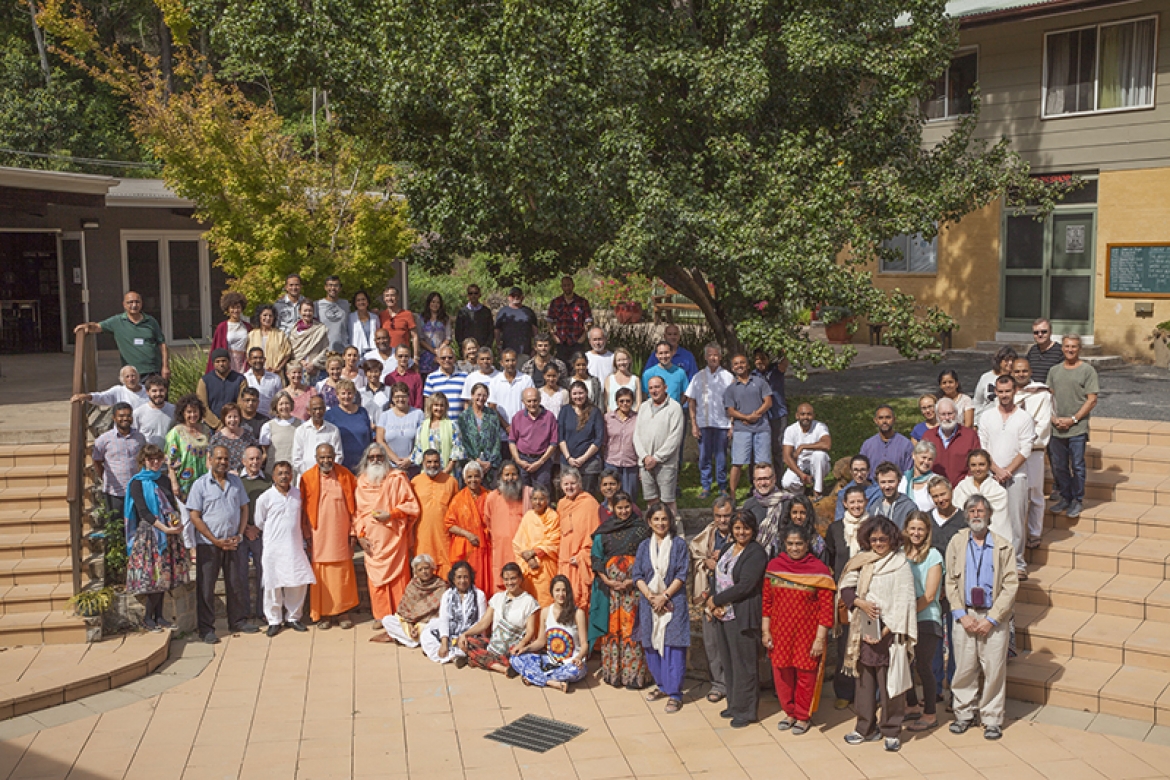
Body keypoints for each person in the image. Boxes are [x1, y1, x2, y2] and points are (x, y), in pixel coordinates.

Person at [839, 516, 917, 753]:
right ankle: (865, 728)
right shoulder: (863, 560)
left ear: (891, 539)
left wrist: (884, 631)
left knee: (890, 685)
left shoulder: (900, 564)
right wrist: (861, 604)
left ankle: (891, 730)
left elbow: (904, 603)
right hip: (863, 630)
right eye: (874, 539)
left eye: (883, 539)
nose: (878, 544)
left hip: (890, 633)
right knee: (864, 683)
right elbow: (845, 589)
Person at [946, 495, 1019, 741]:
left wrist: (992, 619)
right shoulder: (957, 542)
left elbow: (1011, 585)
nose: (976, 515)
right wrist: (961, 614)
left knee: (994, 669)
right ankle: (964, 713)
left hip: (993, 616)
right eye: (972, 511)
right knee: (964, 667)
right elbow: (950, 581)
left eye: (980, 511)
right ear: (966, 515)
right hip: (965, 614)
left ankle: (992, 718)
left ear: (989, 515)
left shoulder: (1003, 546)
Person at [763, 523, 836, 735]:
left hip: (808, 634)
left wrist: (820, 639)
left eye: (799, 544)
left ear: (807, 545)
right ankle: (789, 712)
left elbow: (826, 609)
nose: (794, 548)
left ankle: (803, 716)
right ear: (784, 544)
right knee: (782, 674)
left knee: (806, 674)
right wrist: (765, 631)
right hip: (780, 633)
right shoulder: (775, 567)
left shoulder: (819, 571)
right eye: (790, 544)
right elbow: (767, 602)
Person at [187, 445, 255, 643]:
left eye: (226, 459)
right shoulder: (200, 485)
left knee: (236, 583)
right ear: (210, 459)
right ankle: (206, 629)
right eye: (219, 458)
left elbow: (244, 508)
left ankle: (238, 621)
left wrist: (239, 535)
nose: (223, 462)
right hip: (209, 545)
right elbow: (194, 516)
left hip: (233, 542)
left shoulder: (236, 482)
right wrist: (214, 540)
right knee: (206, 588)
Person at [124, 444, 189, 631]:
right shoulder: (137, 483)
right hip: (150, 534)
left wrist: (175, 522)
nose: (155, 462)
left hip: (167, 533)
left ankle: (160, 617)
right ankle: (148, 618)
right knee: (154, 577)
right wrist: (164, 529)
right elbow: (144, 512)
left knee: (164, 575)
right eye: (150, 459)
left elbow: (171, 505)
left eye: (158, 459)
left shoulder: (164, 480)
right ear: (143, 461)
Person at [591, 490, 652, 690]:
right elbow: (596, 558)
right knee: (613, 629)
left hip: (635, 591)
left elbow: (648, 558)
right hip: (612, 593)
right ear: (613, 509)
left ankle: (635, 676)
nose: (624, 511)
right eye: (620, 508)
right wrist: (608, 581)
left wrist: (633, 580)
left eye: (627, 507)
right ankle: (614, 674)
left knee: (634, 628)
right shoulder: (604, 531)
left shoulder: (641, 529)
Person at [354, 443, 421, 621]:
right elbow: (358, 513)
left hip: (395, 539)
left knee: (398, 578)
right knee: (376, 579)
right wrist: (360, 536)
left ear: (385, 459)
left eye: (379, 457)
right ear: (366, 460)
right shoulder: (361, 481)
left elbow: (411, 505)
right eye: (372, 457)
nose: (375, 460)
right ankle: (381, 617)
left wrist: (391, 514)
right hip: (372, 541)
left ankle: (400, 615)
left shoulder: (397, 478)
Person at [635, 503, 691, 715]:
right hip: (649, 603)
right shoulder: (643, 546)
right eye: (656, 519)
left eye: (664, 519)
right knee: (652, 645)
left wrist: (664, 596)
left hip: (673, 602)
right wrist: (651, 597)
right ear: (649, 522)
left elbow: (682, 574)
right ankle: (662, 685)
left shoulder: (679, 545)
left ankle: (675, 693)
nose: (660, 523)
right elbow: (637, 575)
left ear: (670, 521)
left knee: (673, 646)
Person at [978, 375, 1034, 579]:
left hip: (1017, 476)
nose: (1004, 395)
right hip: (991, 476)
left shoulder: (1024, 418)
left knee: (1016, 520)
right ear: (996, 392)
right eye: (1000, 392)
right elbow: (983, 446)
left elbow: (1026, 448)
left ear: (1015, 391)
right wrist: (996, 470)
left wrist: (1008, 470)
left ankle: (1017, 563)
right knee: (990, 518)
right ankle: (991, 560)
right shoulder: (987, 416)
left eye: (1007, 391)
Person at [300, 443, 359, 629]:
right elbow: (302, 509)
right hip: (318, 534)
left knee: (342, 573)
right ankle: (324, 613)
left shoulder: (345, 475)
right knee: (321, 574)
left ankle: (343, 612)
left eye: (329, 457)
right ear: (316, 458)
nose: (326, 461)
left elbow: (356, 505)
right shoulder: (307, 478)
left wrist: (353, 531)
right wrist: (306, 532)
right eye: (322, 457)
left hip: (341, 533)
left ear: (335, 457)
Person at [253, 461, 315, 636]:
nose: (284, 476)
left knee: (298, 582)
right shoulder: (265, 498)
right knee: (273, 584)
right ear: (273, 477)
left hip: (294, 546)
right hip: (273, 548)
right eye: (280, 473)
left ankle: (293, 617)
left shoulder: (298, 495)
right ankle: (274, 620)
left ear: (292, 476)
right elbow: (259, 521)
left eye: (287, 473)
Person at [824, 483, 869, 709]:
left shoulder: (873, 527)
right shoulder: (835, 529)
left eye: (860, 501)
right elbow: (830, 558)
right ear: (845, 504)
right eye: (852, 502)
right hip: (844, 595)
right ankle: (844, 691)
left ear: (866, 502)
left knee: (868, 645)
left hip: (869, 592)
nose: (856, 505)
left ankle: (867, 693)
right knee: (844, 644)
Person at [687, 497, 734, 702]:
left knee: (733, 644)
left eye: (727, 516)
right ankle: (718, 684)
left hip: (733, 598)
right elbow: (695, 555)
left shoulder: (741, 533)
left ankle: (734, 684)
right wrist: (706, 562)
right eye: (718, 516)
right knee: (712, 643)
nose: (723, 520)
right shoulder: (707, 535)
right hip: (710, 596)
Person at [901, 511, 945, 732]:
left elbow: (929, 595)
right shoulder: (900, 554)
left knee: (923, 666)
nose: (916, 533)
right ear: (906, 529)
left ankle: (929, 714)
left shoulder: (934, 556)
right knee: (904, 663)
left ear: (927, 531)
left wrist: (908, 614)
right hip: (904, 618)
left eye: (920, 529)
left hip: (926, 618)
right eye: (913, 528)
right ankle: (911, 706)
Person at [1047, 334, 1099, 520]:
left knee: (1077, 465)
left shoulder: (1087, 371)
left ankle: (1077, 499)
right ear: (1062, 348)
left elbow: (1091, 400)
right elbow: (1048, 397)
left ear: (1079, 349)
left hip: (1077, 428)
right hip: (1057, 427)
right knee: (1059, 466)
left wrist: (1073, 419)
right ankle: (1065, 497)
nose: (1070, 350)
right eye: (1067, 346)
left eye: (1074, 346)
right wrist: (1053, 418)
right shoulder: (1054, 371)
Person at [456, 562, 540, 674]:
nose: (509, 583)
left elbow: (530, 631)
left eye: (513, 578)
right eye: (506, 579)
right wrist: (465, 634)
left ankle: (476, 659)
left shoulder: (529, 601)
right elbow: (483, 623)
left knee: (519, 656)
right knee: (467, 642)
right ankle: (502, 668)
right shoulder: (497, 598)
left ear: (520, 579)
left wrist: (521, 644)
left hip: (512, 648)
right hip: (494, 645)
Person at [510, 575, 590, 690]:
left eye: (564, 590)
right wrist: (525, 648)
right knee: (515, 659)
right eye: (557, 590)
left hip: (570, 664)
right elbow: (541, 641)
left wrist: (579, 657)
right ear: (552, 592)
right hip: (549, 660)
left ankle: (534, 677)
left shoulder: (578, 614)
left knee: (575, 671)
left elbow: (584, 644)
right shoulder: (546, 612)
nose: (561, 594)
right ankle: (552, 682)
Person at [74, 290, 169, 379]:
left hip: (153, 370)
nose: (134, 305)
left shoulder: (151, 321)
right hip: (132, 374)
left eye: (137, 302)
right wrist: (86, 326)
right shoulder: (117, 321)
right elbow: (97, 327)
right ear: (124, 304)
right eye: (130, 302)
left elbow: (162, 344)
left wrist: (165, 366)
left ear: (141, 303)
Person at [1013, 357, 1052, 551]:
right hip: (1011, 453)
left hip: (1034, 451)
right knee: (1014, 495)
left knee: (1035, 493)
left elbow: (1043, 423)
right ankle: (1017, 534)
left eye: (1024, 371)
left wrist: (1026, 443)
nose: (1021, 374)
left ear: (1030, 372)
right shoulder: (1007, 391)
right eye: (1017, 371)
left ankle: (1035, 532)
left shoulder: (1041, 394)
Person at [686, 344, 734, 499]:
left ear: (720, 357)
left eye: (716, 355)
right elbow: (691, 401)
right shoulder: (698, 377)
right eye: (710, 355)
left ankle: (722, 486)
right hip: (703, 423)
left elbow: (734, 402)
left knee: (721, 457)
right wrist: (694, 424)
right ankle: (706, 486)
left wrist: (732, 424)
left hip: (722, 423)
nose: (713, 358)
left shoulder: (728, 377)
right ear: (705, 357)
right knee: (704, 456)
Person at [634, 376, 685, 516]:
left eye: (657, 387)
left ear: (665, 388)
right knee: (651, 500)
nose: (654, 390)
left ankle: (674, 528)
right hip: (645, 463)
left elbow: (675, 437)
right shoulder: (644, 407)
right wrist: (644, 457)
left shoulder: (674, 408)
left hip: (666, 463)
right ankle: (653, 528)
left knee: (668, 501)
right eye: (651, 388)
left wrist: (656, 458)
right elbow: (636, 434)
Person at [725, 352, 773, 497]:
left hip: (762, 428)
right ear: (732, 368)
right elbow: (730, 410)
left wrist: (755, 415)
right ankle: (732, 495)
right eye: (736, 364)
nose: (739, 366)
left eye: (742, 363)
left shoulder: (760, 382)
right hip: (741, 429)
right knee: (737, 462)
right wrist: (746, 417)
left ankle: (765, 493)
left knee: (763, 463)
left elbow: (768, 402)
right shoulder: (731, 389)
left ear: (747, 365)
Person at [421, 561, 487, 664]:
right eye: (459, 577)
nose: (462, 581)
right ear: (453, 579)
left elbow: (482, 623)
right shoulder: (447, 595)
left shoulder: (479, 595)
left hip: (470, 637)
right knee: (426, 634)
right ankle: (454, 657)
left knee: (469, 646)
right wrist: (444, 644)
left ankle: (452, 656)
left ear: (471, 578)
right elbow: (444, 620)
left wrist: (469, 637)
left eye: (465, 577)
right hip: (451, 635)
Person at [165, 395, 209, 549]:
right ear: (182, 413)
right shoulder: (175, 433)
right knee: (187, 518)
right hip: (184, 482)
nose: (192, 415)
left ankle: (203, 546)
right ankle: (190, 549)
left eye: (195, 411)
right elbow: (170, 461)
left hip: (203, 481)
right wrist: (174, 482)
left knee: (203, 515)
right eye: (189, 412)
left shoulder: (206, 430)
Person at [377, 554, 448, 647]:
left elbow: (441, 612)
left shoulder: (441, 586)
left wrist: (419, 625)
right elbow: (406, 611)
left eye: (426, 568)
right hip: (410, 624)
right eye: (420, 570)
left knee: (436, 625)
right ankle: (415, 641)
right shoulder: (412, 585)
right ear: (415, 572)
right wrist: (410, 626)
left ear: (432, 569)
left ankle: (408, 640)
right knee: (387, 620)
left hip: (427, 624)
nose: (424, 572)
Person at [92, 402, 146, 523]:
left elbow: (143, 459)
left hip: (136, 490)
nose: (125, 418)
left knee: (138, 524)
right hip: (115, 491)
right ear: (114, 418)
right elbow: (97, 460)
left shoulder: (139, 437)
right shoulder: (104, 439)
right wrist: (104, 477)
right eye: (121, 416)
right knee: (116, 525)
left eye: (128, 415)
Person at [445, 462, 494, 593]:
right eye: (469, 477)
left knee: (485, 580)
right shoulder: (458, 499)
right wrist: (468, 534)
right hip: (466, 548)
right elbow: (449, 525)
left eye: (476, 476)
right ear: (464, 479)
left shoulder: (489, 496)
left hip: (485, 546)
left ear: (481, 477)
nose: (473, 480)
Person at [556, 467, 600, 611]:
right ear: (561, 486)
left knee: (580, 600)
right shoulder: (561, 504)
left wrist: (583, 555)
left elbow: (594, 533)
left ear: (580, 483)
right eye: (566, 484)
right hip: (564, 560)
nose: (569, 487)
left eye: (573, 483)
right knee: (563, 597)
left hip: (580, 561)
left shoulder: (590, 503)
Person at [412, 449, 460, 578]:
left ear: (440, 462)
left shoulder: (451, 482)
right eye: (429, 462)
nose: (432, 465)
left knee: (446, 574)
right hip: (422, 538)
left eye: (436, 462)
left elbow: (457, 511)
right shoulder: (415, 482)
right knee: (423, 573)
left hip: (444, 538)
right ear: (423, 463)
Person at [236, 445, 270, 621]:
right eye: (251, 459)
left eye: (258, 458)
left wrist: (257, 528)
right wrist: (245, 529)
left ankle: (263, 611)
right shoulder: (235, 481)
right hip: (241, 533)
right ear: (244, 461)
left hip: (261, 533)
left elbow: (272, 508)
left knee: (264, 572)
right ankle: (244, 612)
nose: (255, 462)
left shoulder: (269, 481)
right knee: (240, 573)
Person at [483, 462, 532, 583]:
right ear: (500, 477)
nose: (510, 478)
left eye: (514, 474)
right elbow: (488, 522)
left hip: (522, 551)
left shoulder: (528, 495)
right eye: (507, 475)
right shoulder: (492, 498)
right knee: (501, 584)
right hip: (501, 551)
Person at [514, 485, 561, 605]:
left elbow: (554, 541)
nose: (538, 502)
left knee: (546, 599)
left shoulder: (553, 516)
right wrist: (529, 559)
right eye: (534, 499)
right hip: (528, 565)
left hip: (546, 565)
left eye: (541, 499)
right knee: (529, 601)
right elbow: (519, 541)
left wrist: (534, 552)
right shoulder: (528, 516)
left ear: (547, 500)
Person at [952, 449, 1011, 542]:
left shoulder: (998, 492)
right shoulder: (961, 488)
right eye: (973, 465)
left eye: (981, 464)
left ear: (988, 466)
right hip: (965, 539)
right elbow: (957, 517)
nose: (977, 469)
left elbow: (1000, 523)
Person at [558, 383, 605, 495]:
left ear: (586, 393)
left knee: (587, 496)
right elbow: (560, 436)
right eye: (574, 394)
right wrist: (568, 457)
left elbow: (598, 439)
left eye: (580, 393)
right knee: (569, 495)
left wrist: (583, 458)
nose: (578, 396)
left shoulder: (595, 412)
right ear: (570, 395)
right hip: (568, 462)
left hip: (589, 463)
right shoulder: (565, 410)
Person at [922, 397, 979, 487]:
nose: (947, 418)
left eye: (950, 413)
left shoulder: (970, 435)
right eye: (943, 414)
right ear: (937, 416)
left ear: (956, 414)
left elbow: (977, 463)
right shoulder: (928, 436)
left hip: (963, 488)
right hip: (935, 489)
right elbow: (921, 463)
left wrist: (966, 485)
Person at [510, 388, 559, 491]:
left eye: (535, 400)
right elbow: (512, 441)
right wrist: (518, 460)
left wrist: (540, 462)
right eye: (529, 401)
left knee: (542, 492)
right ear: (523, 402)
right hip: (522, 461)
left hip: (542, 461)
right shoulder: (518, 417)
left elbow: (553, 442)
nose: (532, 404)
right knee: (522, 492)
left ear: (540, 400)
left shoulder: (549, 417)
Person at [779, 403, 832, 497]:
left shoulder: (820, 426)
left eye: (809, 414)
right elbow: (786, 457)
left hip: (819, 464)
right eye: (802, 414)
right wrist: (802, 475)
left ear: (813, 415)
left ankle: (818, 492)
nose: (806, 417)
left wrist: (803, 446)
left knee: (819, 455)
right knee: (786, 482)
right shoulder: (790, 430)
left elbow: (827, 445)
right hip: (800, 464)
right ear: (797, 416)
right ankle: (802, 494)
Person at [457, 382, 504, 487]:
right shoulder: (464, 417)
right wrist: (475, 460)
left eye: (484, 395)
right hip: (471, 464)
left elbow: (497, 440)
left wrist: (490, 462)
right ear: (472, 395)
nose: (481, 398)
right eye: (478, 395)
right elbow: (463, 441)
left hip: (490, 465)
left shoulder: (492, 415)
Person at [742, 462, 789, 558]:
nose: (763, 483)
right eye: (759, 479)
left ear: (774, 479)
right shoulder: (749, 505)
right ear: (754, 481)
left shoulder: (787, 503)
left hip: (782, 556)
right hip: (754, 555)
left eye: (766, 479)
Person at [324, 379, 372, 472]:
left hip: (363, 464)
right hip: (341, 465)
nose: (346, 396)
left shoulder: (362, 412)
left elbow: (369, 437)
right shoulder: (330, 415)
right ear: (337, 395)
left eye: (349, 393)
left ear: (354, 394)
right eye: (343, 393)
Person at [376, 382, 424, 473]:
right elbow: (380, 440)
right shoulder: (384, 416)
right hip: (391, 467)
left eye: (403, 396)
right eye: (397, 397)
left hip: (413, 467)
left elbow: (422, 440)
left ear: (408, 397)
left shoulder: (418, 414)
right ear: (392, 398)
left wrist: (410, 459)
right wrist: (396, 460)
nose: (400, 399)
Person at [412, 393, 465, 476]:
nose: (439, 408)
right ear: (431, 406)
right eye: (436, 405)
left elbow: (457, 450)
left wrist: (446, 471)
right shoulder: (422, 427)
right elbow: (418, 450)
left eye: (442, 405)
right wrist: (429, 471)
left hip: (448, 472)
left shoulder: (453, 425)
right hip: (428, 473)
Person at [291, 396, 343, 476]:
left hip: (329, 476)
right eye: (314, 409)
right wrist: (310, 475)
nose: (318, 412)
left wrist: (326, 473)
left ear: (324, 409)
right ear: (308, 411)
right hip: (306, 477)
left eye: (320, 408)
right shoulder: (301, 431)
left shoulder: (333, 430)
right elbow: (296, 459)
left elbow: (338, 455)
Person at [547, 276, 594, 364]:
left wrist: (583, 336)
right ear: (561, 287)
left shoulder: (582, 302)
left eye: (568, 285)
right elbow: (549, 320)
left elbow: (589, 321)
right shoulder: (556, 302)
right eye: (564, 285)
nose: (567, 287)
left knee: (577, 366)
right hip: (561, 341)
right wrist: (554, 336)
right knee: (561, 367)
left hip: (577, 340)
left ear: (573, 285)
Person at [603, 387, 640, 499]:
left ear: (632, 402)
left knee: (629, 496)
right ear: (616, 402)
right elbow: (603, 440)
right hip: (611, 461)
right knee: (611, 495)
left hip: (631, 462)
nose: (624, 404)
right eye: (621, 401)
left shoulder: (638, 418)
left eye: (628, 401)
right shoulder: (608, 418)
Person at [197, 349, 247, 429]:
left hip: (234, 425)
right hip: (211, 427)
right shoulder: (204, 381)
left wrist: (231, 422)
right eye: (217, 361)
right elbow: (202, 406)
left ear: (229, 362)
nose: (221, 364)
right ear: (213, 363)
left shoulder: (240, 380)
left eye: (224, 361)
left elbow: (241, 404)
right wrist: (218, 425)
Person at [753, 349, 789, 460]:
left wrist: (786, 351)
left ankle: (779, 470)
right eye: (757, 359)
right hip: (762, 415)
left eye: (763, 358)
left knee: (778, 446)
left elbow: (785, 363)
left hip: (778, 413)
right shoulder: (753, 375)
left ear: (768, 359)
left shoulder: (776, 370)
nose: (760, 362)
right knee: (762, 446)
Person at [489, 349, 535, 435]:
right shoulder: (495, 381)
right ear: (501, 363)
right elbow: (492, 407)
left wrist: (518, 426)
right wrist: (506, 426)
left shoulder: (526, 380)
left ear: (517, 361)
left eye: (513, 360)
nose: (510, 363)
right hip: (501, 433)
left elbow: (532, 404)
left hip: (523, 431)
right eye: (507, 361)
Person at [859, 405, 913, 478]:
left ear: (894, 419)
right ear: (875, 420)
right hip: (872, 484)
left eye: (888, 417)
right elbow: (861, 471)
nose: (884, 421)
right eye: (881, 418)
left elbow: (909, 474)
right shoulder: (867, 445)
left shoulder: (906, 445)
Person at [207, 291, 252, 373]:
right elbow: (216, 347)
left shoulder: (247, 327)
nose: (235, 310)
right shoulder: (222, 327)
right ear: (228, 309)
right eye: (232, 308)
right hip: (228, 361)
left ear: (242, 308)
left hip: (243, 362)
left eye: (238, 307)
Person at [973, 346, 1018, 426]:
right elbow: (977, 401)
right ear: (999, 361)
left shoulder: (1017, 378)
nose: (1010, 363)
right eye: (1007, 360)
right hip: (987, 421)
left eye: (1013, 360)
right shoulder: (986, 377)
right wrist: (976, 422)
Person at [259, 392, 301, 475]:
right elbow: (265, 452)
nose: (284, 407)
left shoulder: (301, 424)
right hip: (274, 471)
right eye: (281, 404)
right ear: (276, 406)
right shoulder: (268, 426)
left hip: (294, 470)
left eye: (287, 403)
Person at [867, 462, 918, 530]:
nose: (887, 486)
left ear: (899, 481)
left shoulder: (909, 508)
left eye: (891, 482)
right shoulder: (874, 507)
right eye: (883, 482)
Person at [71, 364, 148, 409]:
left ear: (138, 377)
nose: (131, 379)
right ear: (122, 379)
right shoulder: (118, 391)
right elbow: (101, 397)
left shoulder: (147, 390)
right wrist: (86, 396)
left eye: (133, 376)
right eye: (127, 377)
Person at [209, 403, 257, 472]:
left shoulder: (248, 435)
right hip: (223, 474)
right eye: (229, 417)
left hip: (245, 475)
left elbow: (255, 455)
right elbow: (209, 461)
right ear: (224, 418)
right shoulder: (217, 438)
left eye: (235, 417)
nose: (232, 420)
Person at [289, 300, 330, 381]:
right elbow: (292, 351)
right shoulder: (294, 331)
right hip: (299, 371)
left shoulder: (320, 329)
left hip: (317, 370)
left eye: (310, 311)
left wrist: (313, 364)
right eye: (305, 310)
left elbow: (325, 350)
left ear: (313, 312)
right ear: (300, 312)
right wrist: (301, 361)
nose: (307, 313)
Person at [494, 286, 538, 362]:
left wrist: (535, 349)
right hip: (507, 352)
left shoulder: (528, 312)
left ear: (522, 297)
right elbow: (497, 331)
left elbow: (535, 332)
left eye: (518, 295)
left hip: (525, 352)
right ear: (509, 297)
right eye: (513, 295)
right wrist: (499, 348)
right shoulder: (503, 312)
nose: (516, 297)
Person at [423, 345, 467, 419]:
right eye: (443, 358)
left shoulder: (464, 376)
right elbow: (428, 403)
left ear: (454, 358)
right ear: (438, 359)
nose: (447, 360)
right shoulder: (431, 377)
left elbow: (468, 402)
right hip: (440, 422)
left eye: (450, 357)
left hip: (460, 422)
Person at [247, 304, 292, 375]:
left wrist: (279, 368)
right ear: (259, 316)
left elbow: (287, 353)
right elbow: (248, 355)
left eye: (270, 316)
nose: (268, 318)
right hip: (256, 373)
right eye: (265, 315)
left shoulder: (280, 334)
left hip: (275, 373)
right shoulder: (252, 335)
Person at [780, 495, 826, 564]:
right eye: (794, 512)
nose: (798, 517)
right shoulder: (780, 537)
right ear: (789, 514)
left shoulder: (817, 542)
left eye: (803, 513)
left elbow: (821, 566)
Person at [134, 375, 175, 449]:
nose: (158, 394)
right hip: (148, 454)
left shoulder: (174, 410)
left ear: (166, 390)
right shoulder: (138, 413)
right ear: (147, 392)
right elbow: (134, 437)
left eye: (161, 390)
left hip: (169, 454)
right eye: (154, 391)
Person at [835, 455, 880, 521]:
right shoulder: (843, 493)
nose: (859, 474)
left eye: (862, 470)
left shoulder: (879, 491)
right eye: (856, 470)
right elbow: (839, 520)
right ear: (850, 471)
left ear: (868, 471)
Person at [417, 291, 452, 376]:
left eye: (438, 302)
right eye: (433, 302)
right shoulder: (421, 318)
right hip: (425, 354)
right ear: (429, 303)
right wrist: (433, 350)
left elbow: (448, 338)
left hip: (441, 354)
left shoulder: (445, 319)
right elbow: (420, 338)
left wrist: (439, 350)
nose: (435, 304)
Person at [242, 348, 283, 418]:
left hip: (270, 419)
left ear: (264, 359)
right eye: (255, 358)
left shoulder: (275, 378)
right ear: (249, 360)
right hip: (251, 420)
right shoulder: (244, 378)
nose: (258, 360)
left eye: (260, 358)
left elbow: (280, 399)